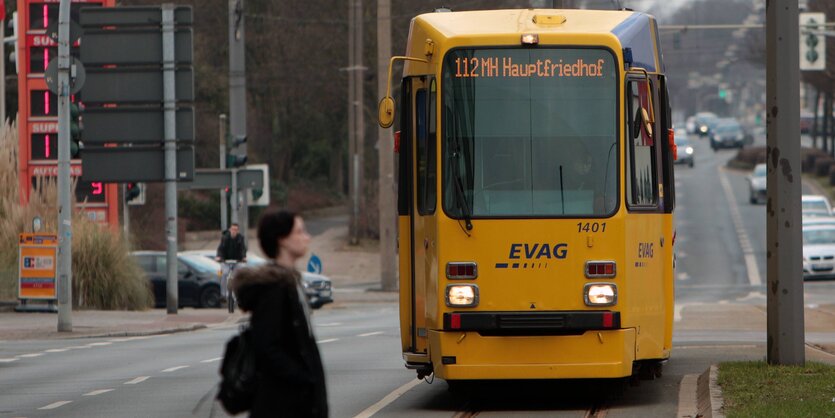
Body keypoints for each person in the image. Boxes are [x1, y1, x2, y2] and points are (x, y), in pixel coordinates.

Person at [230, 210, 328, 417]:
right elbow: (266, 345)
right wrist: (303, 380)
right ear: (282, 239)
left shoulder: (290, 282)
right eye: (299, 231)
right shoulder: (274, 288)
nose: (307, 237)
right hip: (282, 406)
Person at [216, 223, 247, 300]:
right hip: (225, 261)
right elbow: (220, 249)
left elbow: (243, 249)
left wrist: (243, 257)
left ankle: (240, 292)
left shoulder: (240, 238)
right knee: (224, 273)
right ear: (230, 230)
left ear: (238, 231)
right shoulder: (225, 237)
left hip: (237, 261)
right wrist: (219, 257)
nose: (234, 231)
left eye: (236, 230)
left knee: (241, 273)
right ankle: (223, 294)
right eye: (233, 229)